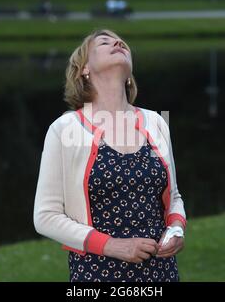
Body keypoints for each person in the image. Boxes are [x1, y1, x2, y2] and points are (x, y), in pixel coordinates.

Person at [33, 29, 187, 282]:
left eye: (122, 43)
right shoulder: (65, 129)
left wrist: (176, 228)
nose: (118, 43)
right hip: (97, 274)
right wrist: (113, 246)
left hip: (162, 274)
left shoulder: (156, 122)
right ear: (84, 68)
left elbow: (174, 198)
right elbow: (45, 216)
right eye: (105, 42)